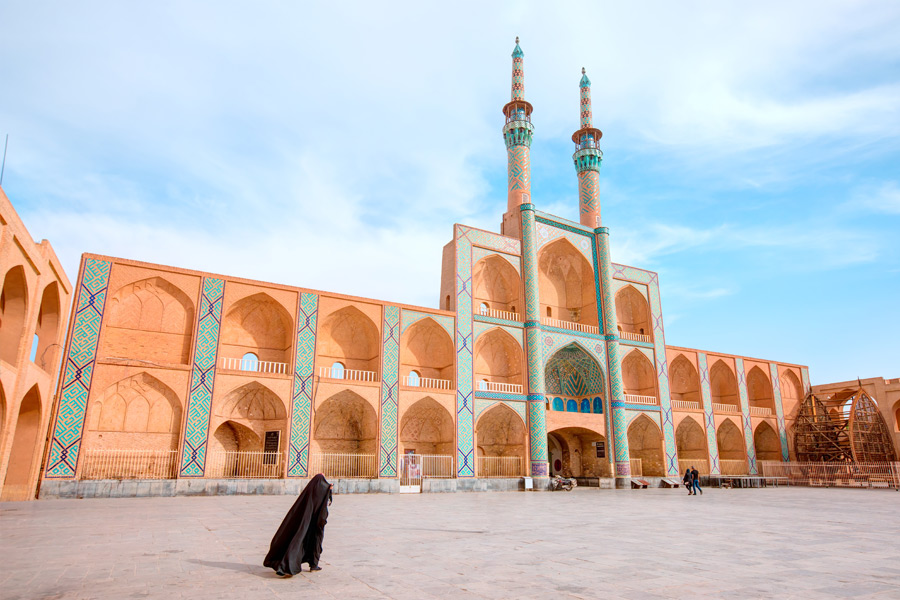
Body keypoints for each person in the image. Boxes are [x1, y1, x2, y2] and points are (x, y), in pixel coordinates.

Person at [264, 473, 333, 576]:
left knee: (300, 540)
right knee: (315, 542)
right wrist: (329, 490)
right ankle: (312, 565)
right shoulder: (323, 491)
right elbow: (328, 503)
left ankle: (289, 564)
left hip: (307, 522)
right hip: (318, 523)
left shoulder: (310, 492)